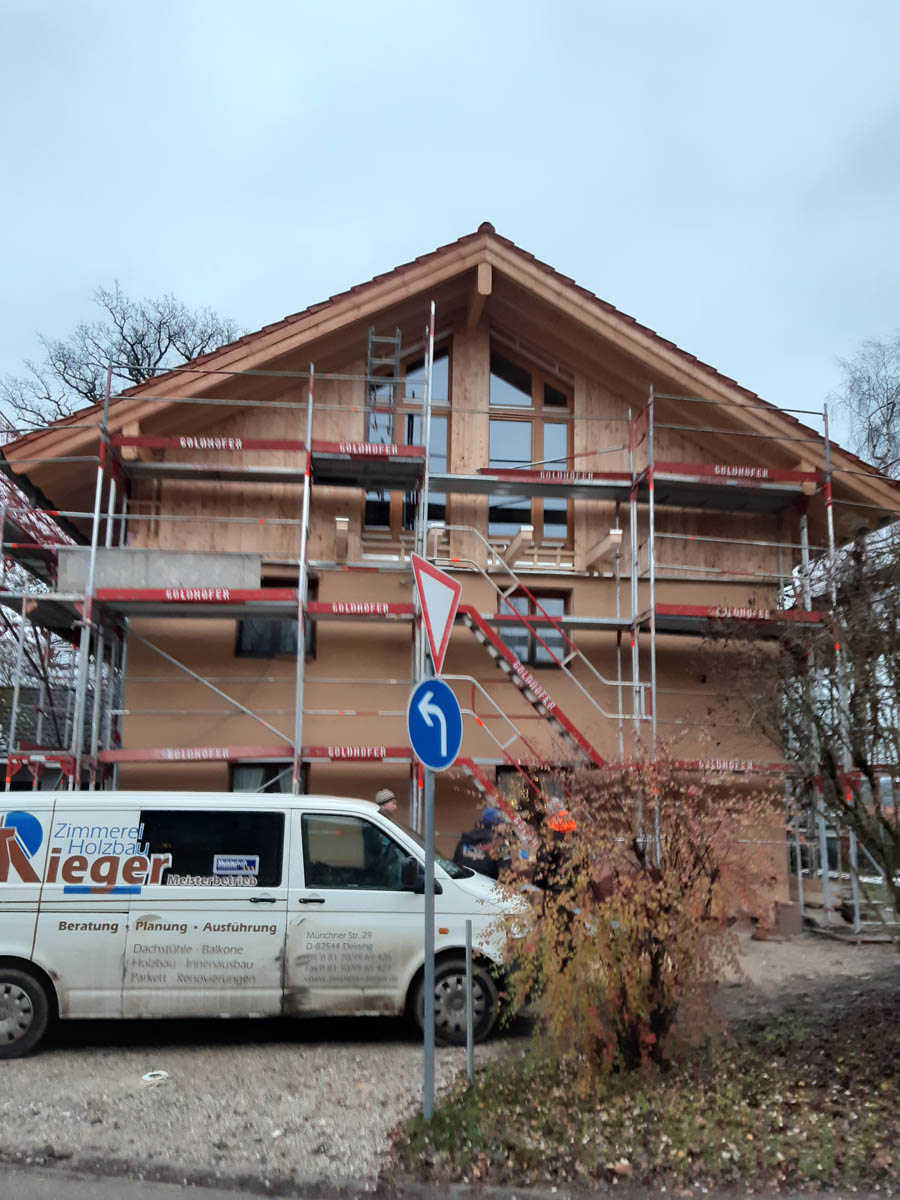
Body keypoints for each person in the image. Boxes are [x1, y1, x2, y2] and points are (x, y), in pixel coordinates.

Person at [452, 807, 509, 879]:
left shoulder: (465, 840)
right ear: (497, 825)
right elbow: (506, 876)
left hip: (461, 885)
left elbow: (453, 866)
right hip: (483, 888)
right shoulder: (499, 847)